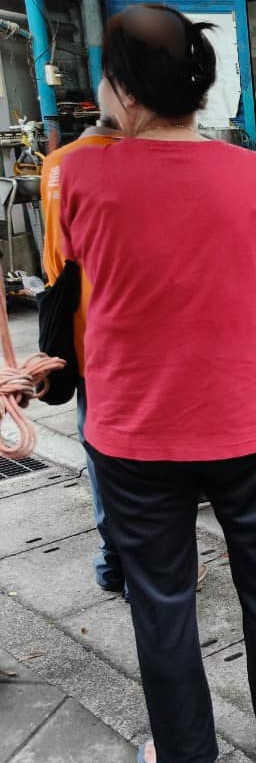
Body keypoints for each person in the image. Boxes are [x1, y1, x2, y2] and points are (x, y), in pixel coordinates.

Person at [58, 3, 256, 763]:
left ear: (126, 95)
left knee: (161, 597)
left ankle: (186, 759)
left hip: (135, 430)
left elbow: (86, 268)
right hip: (251, 420)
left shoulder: (82, 173)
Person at [40, 83, 122, 594]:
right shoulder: (129, 164)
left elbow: (54, 260)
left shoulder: (58, 164)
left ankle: (114, 561)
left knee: (101, 453)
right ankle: (137, 568)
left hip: (84, 336)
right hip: (126, 341)